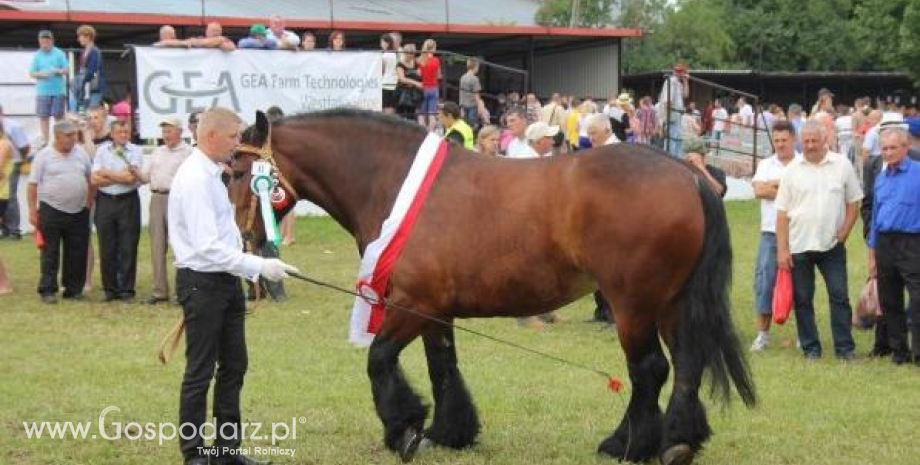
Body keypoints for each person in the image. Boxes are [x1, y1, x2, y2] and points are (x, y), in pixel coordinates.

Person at [168, 107, 298, 465]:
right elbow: (207, 247)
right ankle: (194, 454)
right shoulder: (194, 178)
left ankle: (226, 452)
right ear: (211, 136)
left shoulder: (213, 174)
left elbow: (223, 236)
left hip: (224, 282)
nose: (238, 144)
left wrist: (249, 257)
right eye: (233, 137)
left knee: (234, 367)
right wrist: (259, 265)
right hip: (203, 283)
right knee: (200, 372)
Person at [775, 120, 862, 360]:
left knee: (840, 296)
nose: (810, 146)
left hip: (831, 246)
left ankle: (845, 349)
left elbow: (854, 201)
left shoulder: (842, 165)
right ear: (801, 141)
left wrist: (844, 232)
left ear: (825, 140)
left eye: (815, 140)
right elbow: (781, 214)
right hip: (799, 245)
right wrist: (782, 250)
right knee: (803, 300)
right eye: (807, 141)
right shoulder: (792, 169)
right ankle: (811, 349)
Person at [861, 122, 920, 358]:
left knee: (917, 298)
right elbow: (875, 216)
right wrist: (872, 253)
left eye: (892, 148)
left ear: (905, 147)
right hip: (885, 243)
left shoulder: (918, 172)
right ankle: (898, 350)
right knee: (889, 298)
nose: (887, 153)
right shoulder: (881, 178)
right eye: (884, 149)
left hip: (912, 242)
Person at [27, 120, 93, 304]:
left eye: (74, 135)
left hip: (79, 210)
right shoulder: (44, 156)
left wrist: (88, 202)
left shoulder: (81, 153)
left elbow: (90, 180)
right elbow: (32, 185)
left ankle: (73, 289)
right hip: (51, 209)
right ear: (57, 137)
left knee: (77, 250)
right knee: (50, 251)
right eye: (69, 136)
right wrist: (33, 211)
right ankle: (47, 289)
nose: (73, 139)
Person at [749, 120, 799, 352]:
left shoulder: (803, 163)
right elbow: (759, 190)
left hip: (799, 232)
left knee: (802, 285)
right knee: (764, 282)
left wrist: (776, 185)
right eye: (776, 140)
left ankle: (803, 334)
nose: (780, 145)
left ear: (793, 139)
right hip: (770, 232)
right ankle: (763, 335)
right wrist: (786, 186)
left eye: (784, 140)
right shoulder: (766, 163)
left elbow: (802, 192)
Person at [132, 117, 192, 305]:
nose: (165, 135)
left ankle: (180, 292)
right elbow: (145, 178)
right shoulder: (157, 152)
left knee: (180, 246)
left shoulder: (189, 152)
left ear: (180, 132)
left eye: (169, 131)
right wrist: (134, 172)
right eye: (164, 131)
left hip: (178, 200)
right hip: (157, 198)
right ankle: (160, 291)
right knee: (157, 247)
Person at [91, 120, 143, 302]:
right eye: (120, 132)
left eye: (126, 132)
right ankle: (110, 289)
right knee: (107, 246)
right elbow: (95, 180)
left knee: (128, 246)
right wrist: (118, 176)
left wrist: (106, 172)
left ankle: (126, 290)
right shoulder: (102, 150)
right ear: (112, 134)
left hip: (127, 201)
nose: (123, 135)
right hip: (105, 201)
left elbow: (130, 177)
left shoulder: (135, 151)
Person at [30, 30, 69, 146]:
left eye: (47, 40)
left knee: (59, 117)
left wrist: (58, 71)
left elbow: (66, 70)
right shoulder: (37, 55)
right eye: (43, 40)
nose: (45, 42)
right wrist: (41, 74)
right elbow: (32, 73)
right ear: (39, 41)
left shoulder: (59, 53)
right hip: (42, 91)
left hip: (58, 91)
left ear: (52, 41)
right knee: (43, 117)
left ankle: (59, 140)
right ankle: (45, 141)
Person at [0, 104, 29, 240]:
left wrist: (22, 159)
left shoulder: (12, 126)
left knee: (9, 196)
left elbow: (24, 146)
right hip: (6, 163)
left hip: (12, 163)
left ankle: (14, 230)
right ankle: (5, 229)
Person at [70, 25, 104, 114]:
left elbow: (92, 71)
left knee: (92, 114)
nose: (78, 39)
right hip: (86, 87)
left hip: (93, 88)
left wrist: (79, 80)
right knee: (84, 113)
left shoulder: (94, 51)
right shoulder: (84, 51)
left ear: (88, 37)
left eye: (80, 36)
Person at [658, 62, 689, 157]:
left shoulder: (678, 83)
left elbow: (686, 95)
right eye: (676, 70)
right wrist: (676, 111)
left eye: (680, 71)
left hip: (676, 116)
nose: (678, 73)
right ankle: (670, 162)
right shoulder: (671, 81)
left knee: (677, 141)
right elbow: (667, 102)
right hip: (672, 116)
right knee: (672, 142)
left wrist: (685, 81)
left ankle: (676, 161)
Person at [417, 39, 441, 131]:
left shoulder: (420, 60)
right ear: (434, 48)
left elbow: (418, 74)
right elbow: (438, 75)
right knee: (432, 116)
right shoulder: (436, 60)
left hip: (422, 88)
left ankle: (421, 135)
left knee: (421, 115)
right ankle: (430, 134)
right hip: (434, 88)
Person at [395, 43, 422, 121]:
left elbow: (420, 75)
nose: (410, 55)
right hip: (402, 93)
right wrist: (416, 83)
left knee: (412, 116)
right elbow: (402, 79)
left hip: (413, 94)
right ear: (404, 53)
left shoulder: (416, 64)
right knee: (400, 116)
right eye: (408, 53)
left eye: (412, 53)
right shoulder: (400, 64)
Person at [459, 58, 483, 127]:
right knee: (472, 124)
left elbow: (461, 92)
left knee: (464, 124)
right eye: (478, 67)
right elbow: (476, 95)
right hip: (472, 105)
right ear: (475, 67)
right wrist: (479, 106)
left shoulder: (462, 77)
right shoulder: (475, 79)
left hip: (463, 105)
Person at [380, 33, 399, 115]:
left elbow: (382, 71)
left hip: (386, 84)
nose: (381, 44)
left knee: (385, 107)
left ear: (387, 43)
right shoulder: (396, 55)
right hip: (395, 84)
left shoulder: (384, 56)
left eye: (382, 42)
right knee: (392, 107)